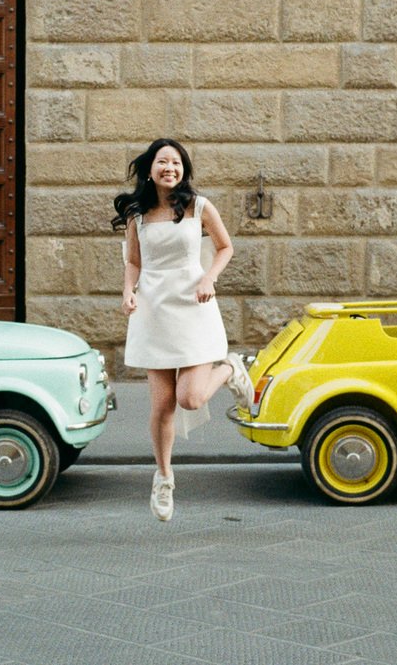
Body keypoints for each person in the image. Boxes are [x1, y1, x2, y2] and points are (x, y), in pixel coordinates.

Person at [112, 138, 251, 522]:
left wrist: (209, 278)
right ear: (150, 169)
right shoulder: (137, 215)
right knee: (162, 405)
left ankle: (229, 368)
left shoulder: (199, 206)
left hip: (193, 306)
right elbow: (134, 262)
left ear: (184, 169)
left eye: (175, 162)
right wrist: (128, 291)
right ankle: (164, 477)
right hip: (153, 311)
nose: (169, 167)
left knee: (190, 398)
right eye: (162, 162)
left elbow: (225, 247)